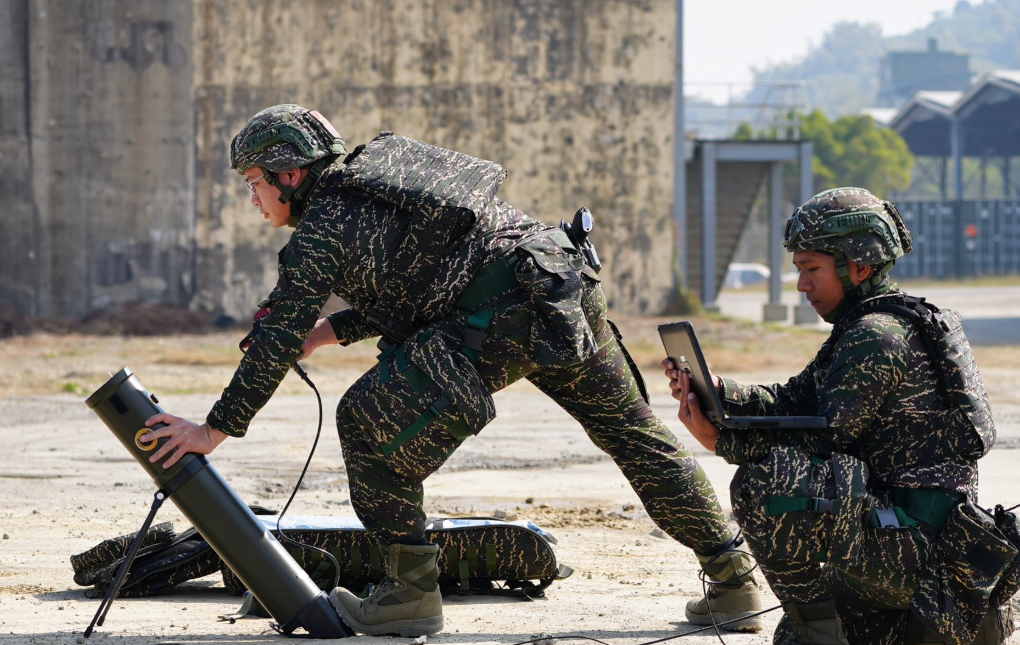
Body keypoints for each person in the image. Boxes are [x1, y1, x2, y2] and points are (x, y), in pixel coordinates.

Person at [136, 104, 762, 636]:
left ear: (290, 174)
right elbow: (418, 281)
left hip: (499, 314)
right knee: (634, 433)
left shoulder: (321, 230)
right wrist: (328, 332)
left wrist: (212, 430)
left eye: (254, 181)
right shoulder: (377, 185)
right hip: (558, 280)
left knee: (366, 423)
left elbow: (274, 339)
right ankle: (734, 582)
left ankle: (409, 593)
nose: (251, 197)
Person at [665, 187, 1016, 645]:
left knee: (766, 481)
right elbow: (792, 402)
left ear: (859, 267)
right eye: (799, 269)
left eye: (812, 269)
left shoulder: (877, 335)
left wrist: (721, 441)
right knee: (789, 637)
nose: (802, 285)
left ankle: (861, 630)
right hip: (909, 535)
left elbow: (825, 441)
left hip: (917, 545)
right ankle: (922, 625)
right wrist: (718, 391)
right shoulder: (869, 324)